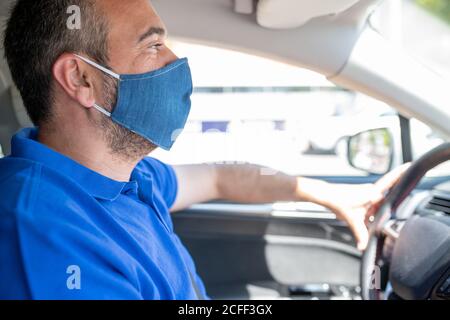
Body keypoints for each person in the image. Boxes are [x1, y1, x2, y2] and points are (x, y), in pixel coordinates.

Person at [0, 0, 407, 299]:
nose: (175, 60)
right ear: (80, 79)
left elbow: (220, 175)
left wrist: (335, 196)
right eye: (153, 46)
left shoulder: (128, 174)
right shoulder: (43, 232)